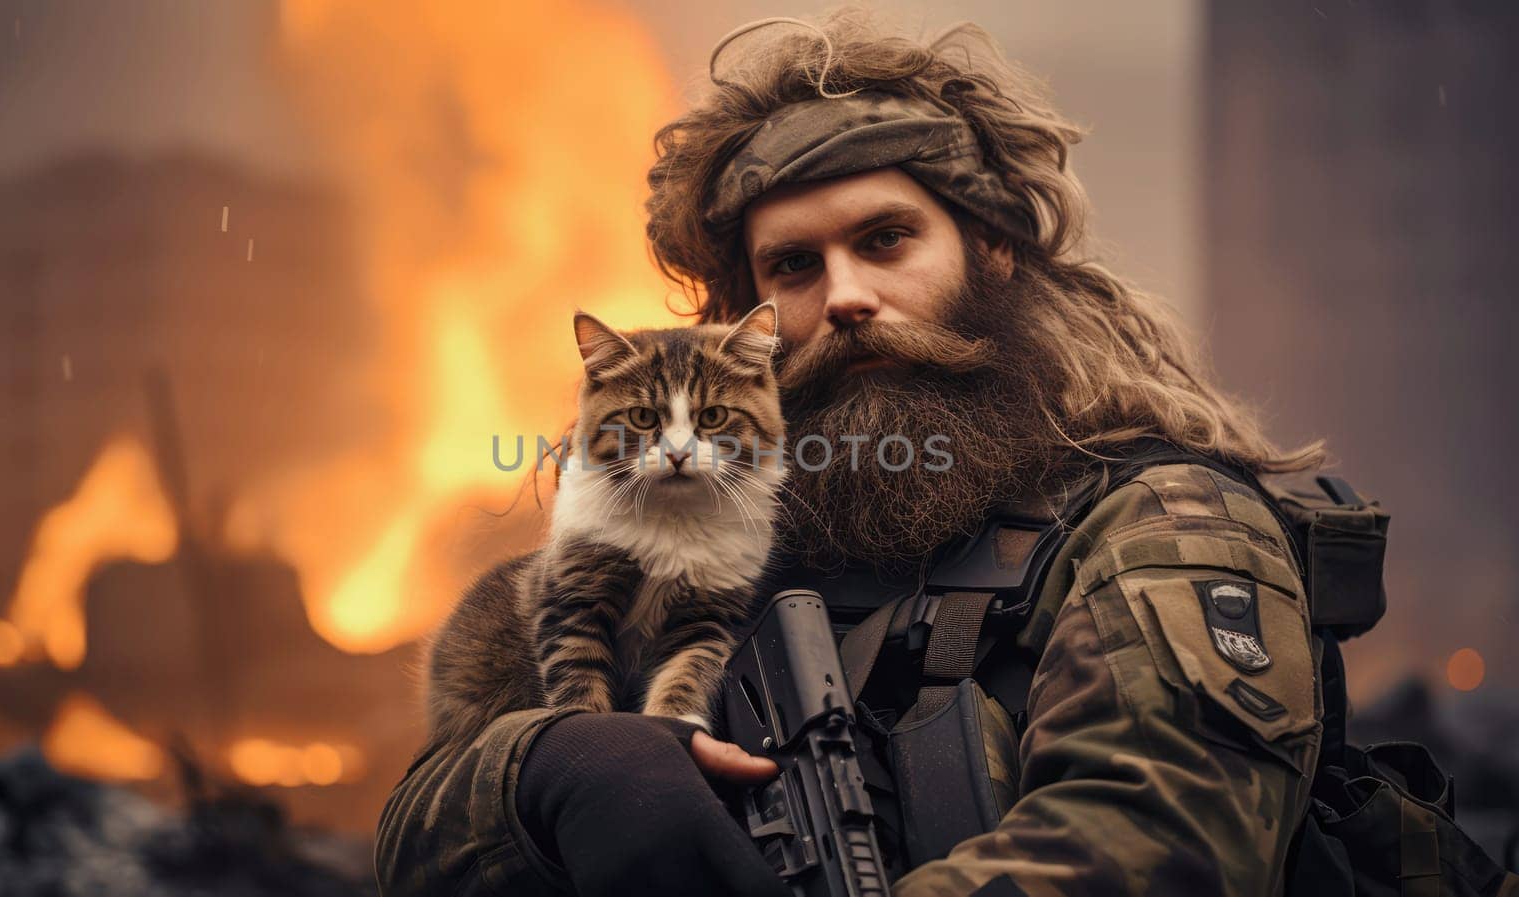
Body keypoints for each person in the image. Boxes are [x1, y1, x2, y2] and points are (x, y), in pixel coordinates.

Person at [375, 11, 1331, 896]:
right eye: (794, 264)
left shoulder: (1154, 524)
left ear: (989, 248)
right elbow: (414, 838)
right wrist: (547, 772)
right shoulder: (707, 543)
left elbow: (1159, 847)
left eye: (885, 240)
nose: (844, 296)